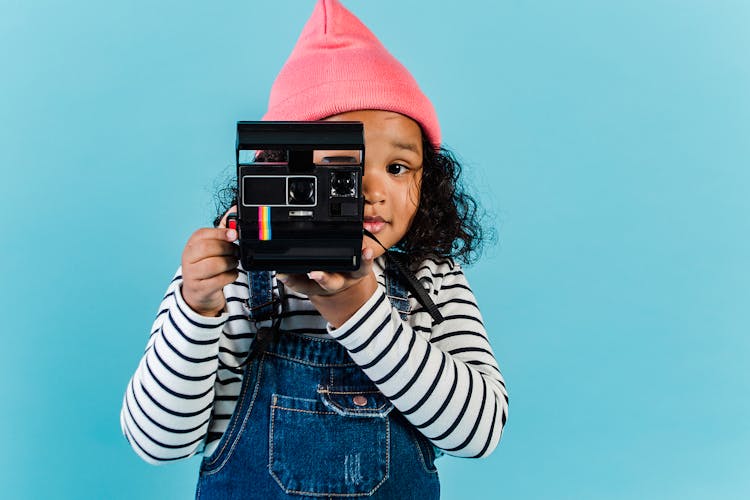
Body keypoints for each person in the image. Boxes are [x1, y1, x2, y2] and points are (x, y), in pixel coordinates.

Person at [121, 1, 508, 498]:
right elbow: (159, 442)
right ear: (282, 174)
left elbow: (480, 432)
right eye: (343, 165)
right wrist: (196, 311)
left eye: (397, 168)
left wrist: (355, 309)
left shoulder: (433, 278)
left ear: (427, 182)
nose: (372, 189)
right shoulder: (231, 280)